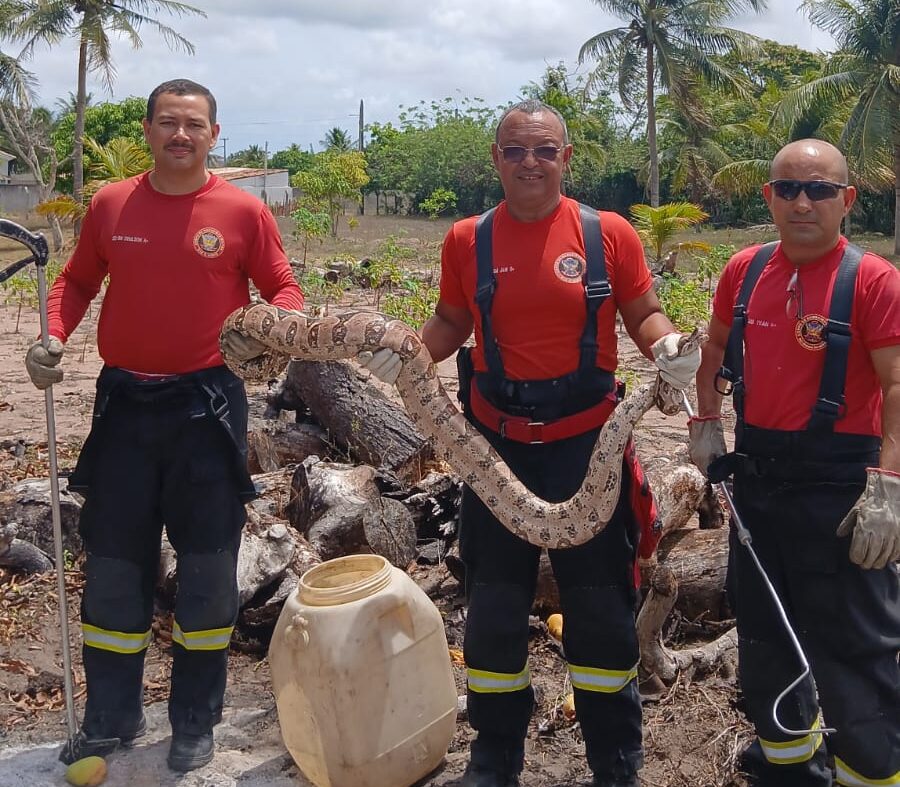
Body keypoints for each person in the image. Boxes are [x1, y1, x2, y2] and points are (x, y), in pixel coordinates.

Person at [360, 99, 700, 787]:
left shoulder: (609, 235)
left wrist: (668, 345)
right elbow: (452, 321)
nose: (529, 162)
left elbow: (642, 311)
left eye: (544, 150)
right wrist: (403, 357)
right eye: (515, 150)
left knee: (602, 613)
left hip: (587, 448)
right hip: (497, 450)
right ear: (496, 160)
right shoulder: (467, 240)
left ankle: (615, 763)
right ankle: (494, 759)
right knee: (491, 611)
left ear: (566, 159)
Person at [24, 78, 303, 773]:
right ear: (148, 130)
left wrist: (276, 332)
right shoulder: (112, 202)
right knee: (115, 572)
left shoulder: (241, 212)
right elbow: (78, 280)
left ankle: (194, 720)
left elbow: (284, 287)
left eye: (195, 125)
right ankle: (110, 715)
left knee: (209, 573)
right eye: (169, 123)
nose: (181, 135)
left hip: (207, 410)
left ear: (214, 134)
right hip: (124, 407)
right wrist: (50, 335)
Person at [689, 139, 899, 786]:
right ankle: (788, 771)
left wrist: (889, 485)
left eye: (819, 190)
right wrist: (704, 425)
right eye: (787, 189)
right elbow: (715, 348)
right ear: (768, 198)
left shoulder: (873, 280)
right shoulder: (745, 270)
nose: (802, 202)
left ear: (847, 201)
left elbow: (896, 387)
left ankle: (871, 772)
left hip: (843, 488)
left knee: (857, 649)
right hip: (757, 481)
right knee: (765, 638)